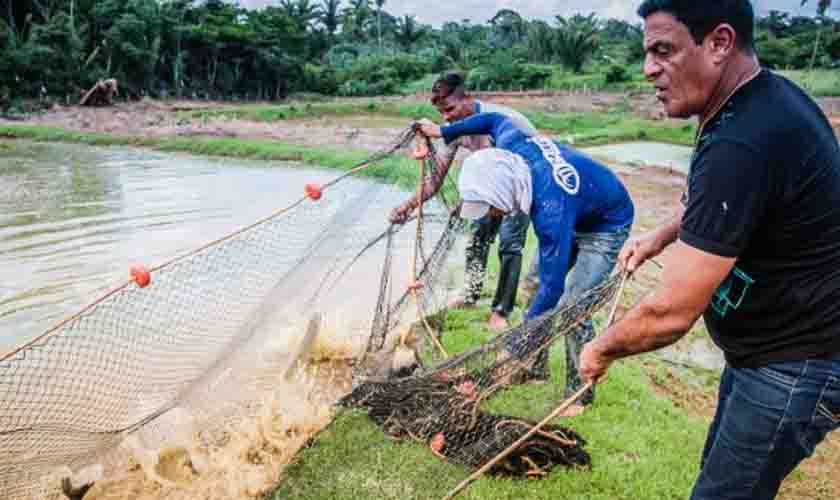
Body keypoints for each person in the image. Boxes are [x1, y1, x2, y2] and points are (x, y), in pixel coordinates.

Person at [578, 1, 840, 499]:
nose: (648, 69)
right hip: (763, 352)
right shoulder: (754, 101)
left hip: (797, 361)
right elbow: (722, 200)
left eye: (663, 50)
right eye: (647, 52)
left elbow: (670, 314)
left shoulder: (747, 136)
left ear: (719, 43)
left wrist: (599, 348)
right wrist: (659, 236)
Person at [416, 113, 634, 416]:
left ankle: (579, 393)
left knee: (574, 306)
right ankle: (535, 369)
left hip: (605, 223)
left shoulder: (550, 211)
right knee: (531, 287)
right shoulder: (512, 146)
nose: (492, 214)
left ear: (505, 188)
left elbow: (553, 286)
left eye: (491, 206)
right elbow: (494, 119)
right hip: (577, 206)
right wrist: (443, 130)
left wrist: (516, 344)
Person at [390, 71, 538, 332]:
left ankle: (501, 311)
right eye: (442, 113)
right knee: (478, 236)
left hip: (523, 179)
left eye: (450, 109)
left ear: (467, 99)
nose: (446, 117)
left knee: (510, 243)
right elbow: (435, 181)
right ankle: (471, 295)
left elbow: (513, 171)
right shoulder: (455, 131)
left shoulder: (501, 120)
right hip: (491, 183)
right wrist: (408, 206)